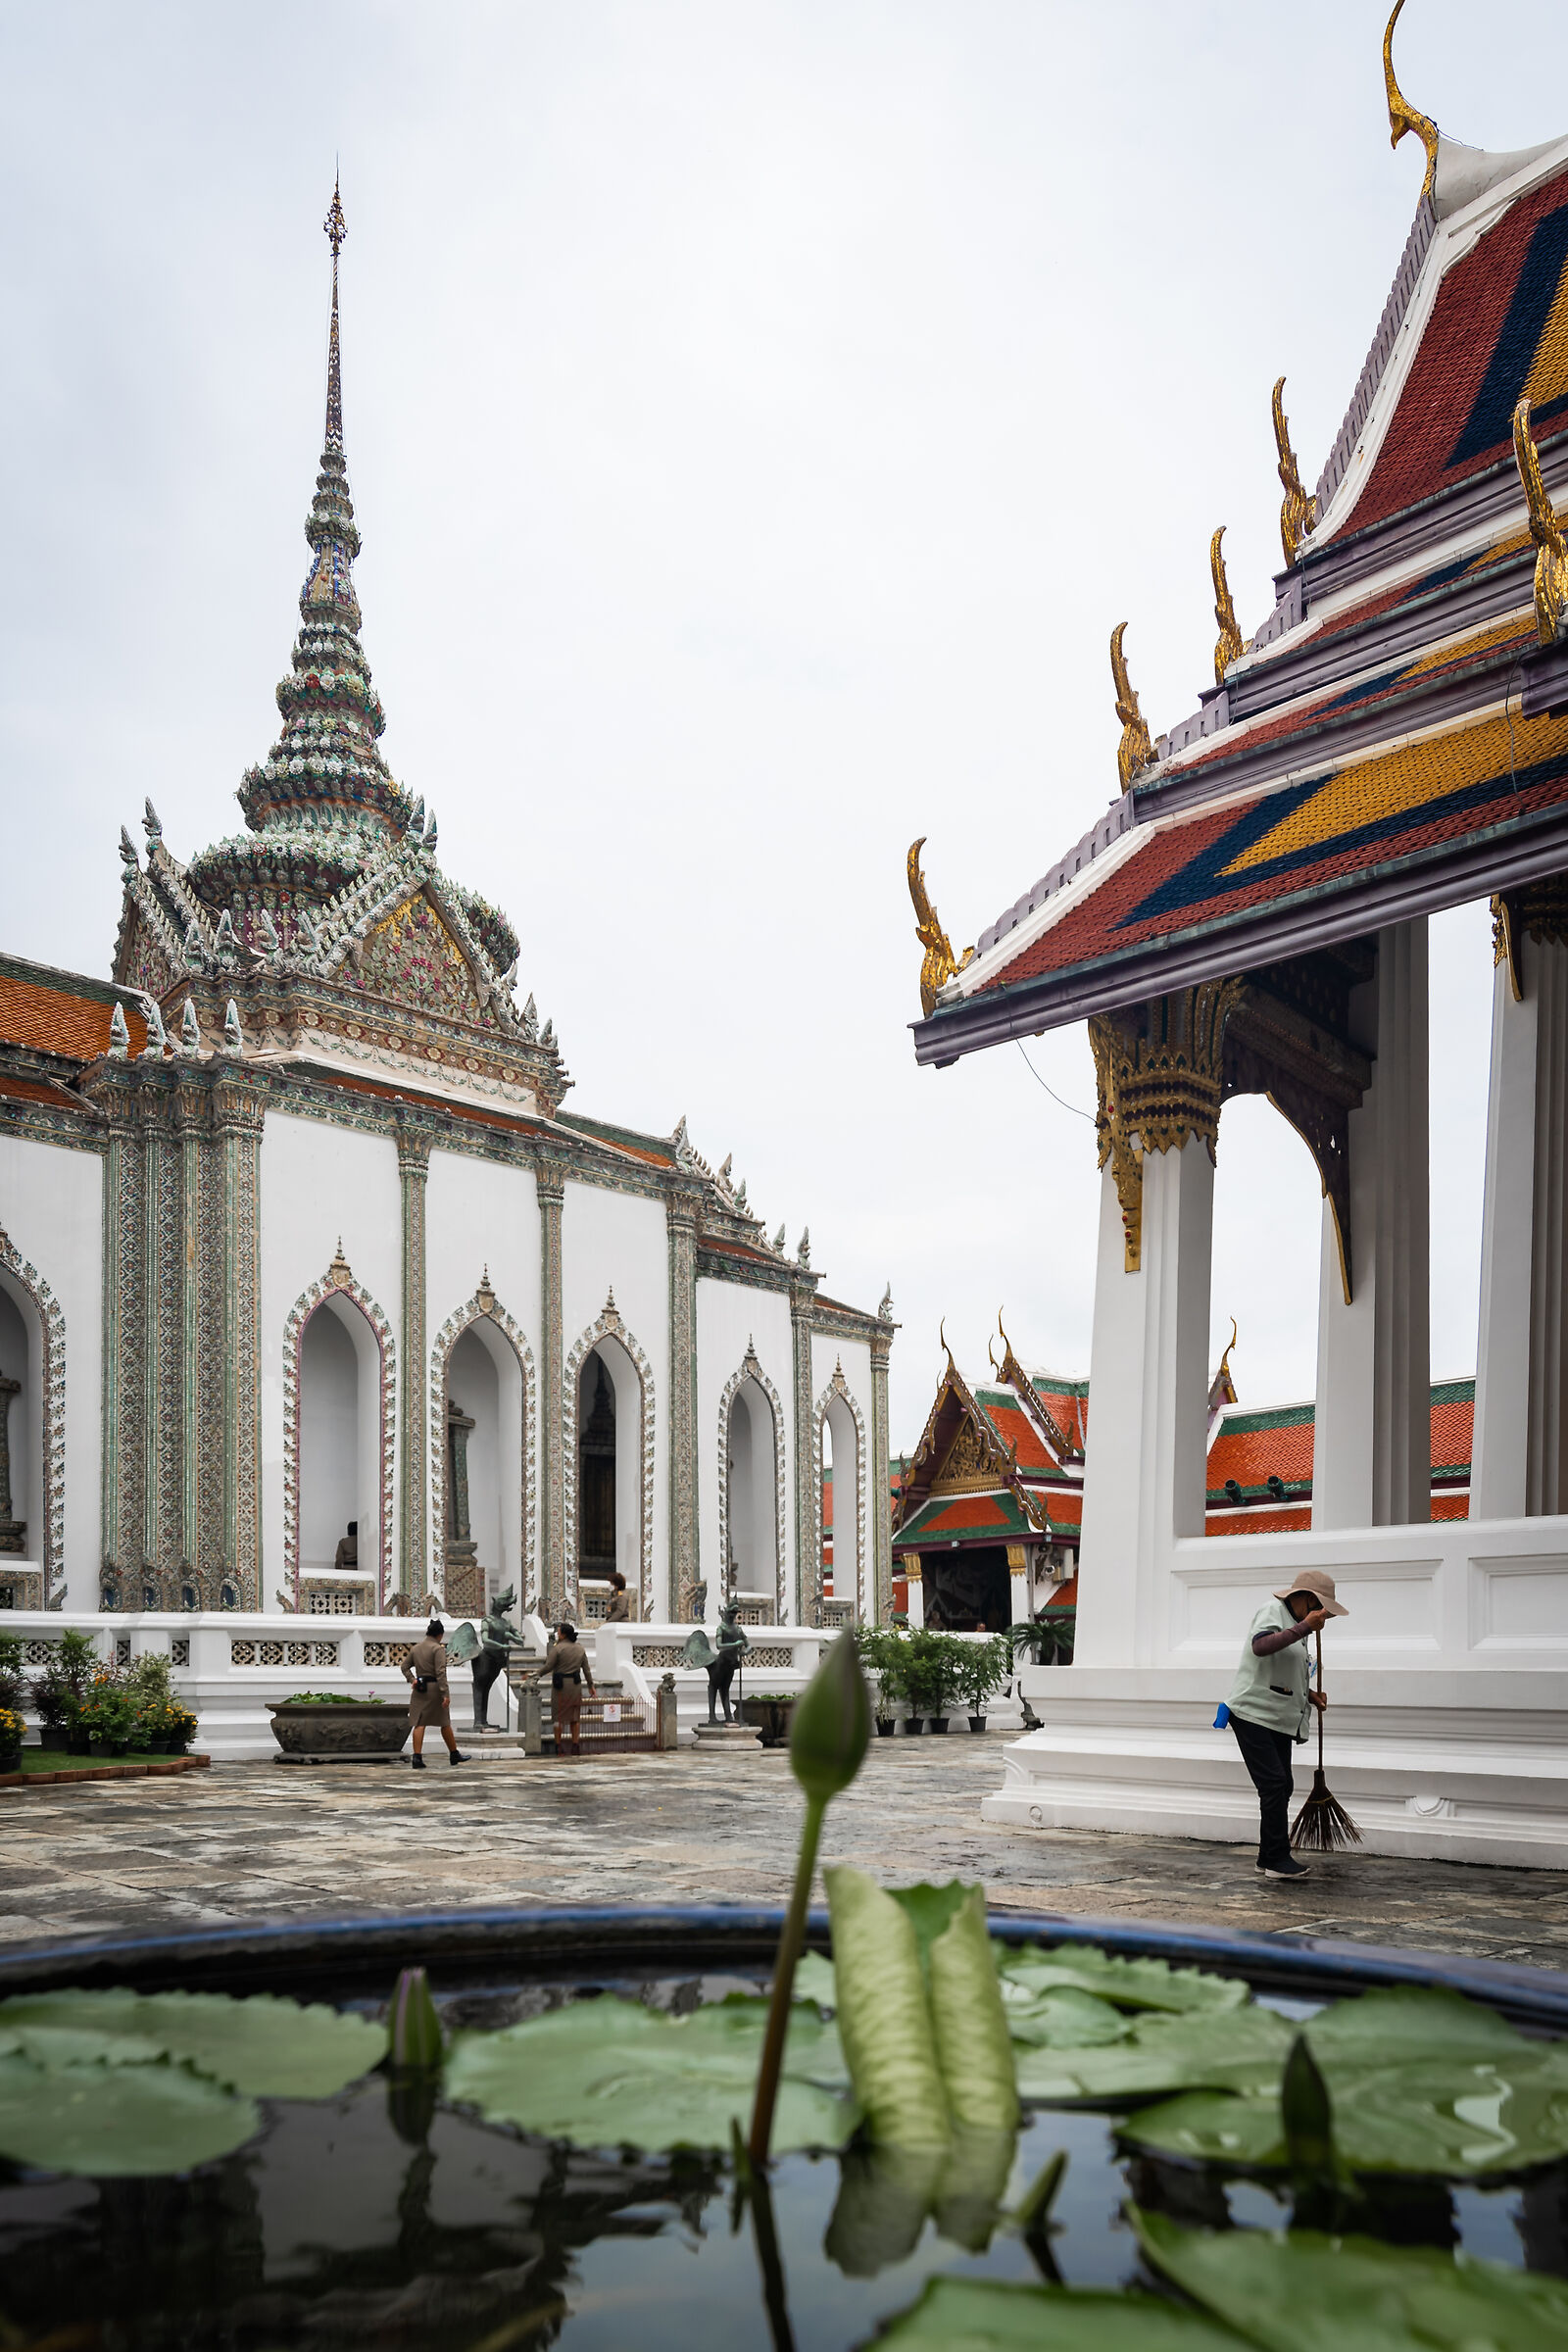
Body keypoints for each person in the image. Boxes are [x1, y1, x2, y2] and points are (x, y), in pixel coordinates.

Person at [1226, 1569, 1348, 1881]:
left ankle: (1268, 1856)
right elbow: (1261, 1647)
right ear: (1307, 1600)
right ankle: (1277, 1859)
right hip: (1252, 1714)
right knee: (1274, 1784)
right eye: (1322, 1611)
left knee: (1283, 1786)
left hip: (1278, 1719)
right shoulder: (1273, 1612)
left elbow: (1282, 1671)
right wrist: (1305, 1626)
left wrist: (1309, 1696)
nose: (1324, 1619)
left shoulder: (1299, 1628)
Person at [402, 1616, 469, 1769]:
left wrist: (412, 1679)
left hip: (420, 1688)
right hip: (434, 1689)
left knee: (419, 1723)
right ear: (439, 1635)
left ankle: (417, 1757)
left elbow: (404, 1667)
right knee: (444, 1723)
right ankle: (454, 1753)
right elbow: (440, 1673)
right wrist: (445, 1694)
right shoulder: (437, 1649)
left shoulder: (416, 1648)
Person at [534, 1620, 595, 1755]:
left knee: (558, 1717)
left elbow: (548, 1666)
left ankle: (558, 1746)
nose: (557, 1633)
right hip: (575, 1685)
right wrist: (591, 1685)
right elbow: (586, 1670)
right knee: (575, 1717)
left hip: (560, 1686)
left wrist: (536, 1675)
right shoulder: (580, 1648)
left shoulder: (558, 1648)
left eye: (559, 1631)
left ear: (563, 1635)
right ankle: (575, 1745)